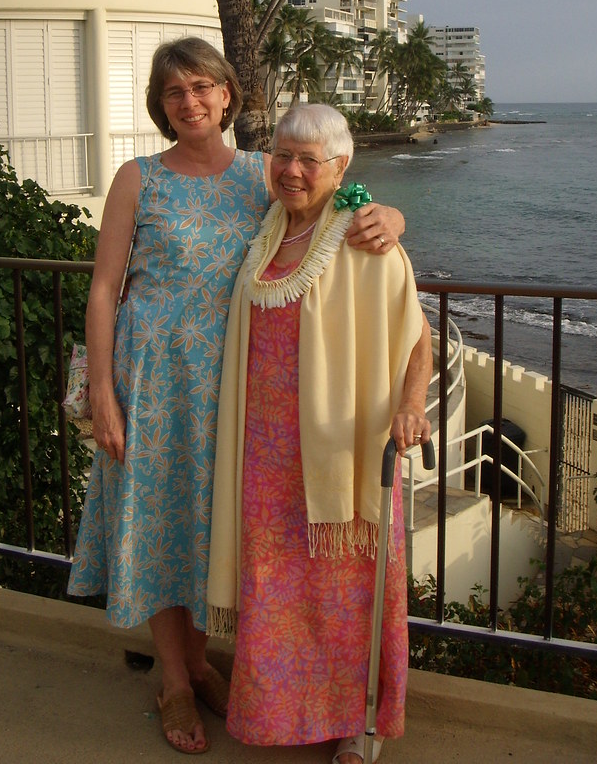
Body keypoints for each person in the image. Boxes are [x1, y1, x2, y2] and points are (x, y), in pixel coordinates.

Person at [66, 38, 407, 755]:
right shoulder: (139, 178)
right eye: (172, 94)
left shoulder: (264, 172)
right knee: (158, 521)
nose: (188, 102)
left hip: (239, 388)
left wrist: (393, 220)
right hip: (154, 381)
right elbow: (103, 288)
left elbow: (342, 200)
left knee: (203, 527)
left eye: (200, 87)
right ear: (162, 109)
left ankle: (200, 659)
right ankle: (174, 679)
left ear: (227, 95)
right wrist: (102, 391)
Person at [206, 103, 433, 764]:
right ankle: (281, 716)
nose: (293, 170)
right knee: (276, 595)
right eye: (283, 155)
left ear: (342, 168)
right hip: (264, 454)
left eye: (311, 159)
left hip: (341, 453)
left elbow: (416, 334)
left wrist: (412, 405)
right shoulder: (268, 226)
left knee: (346, 595)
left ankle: (359, 728)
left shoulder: (363, 238)